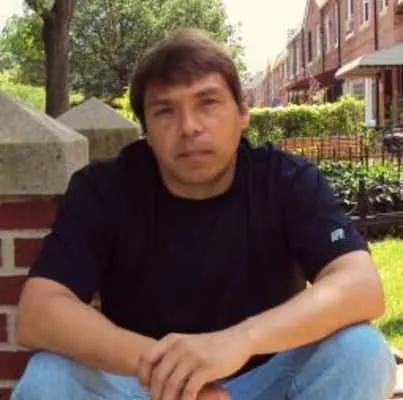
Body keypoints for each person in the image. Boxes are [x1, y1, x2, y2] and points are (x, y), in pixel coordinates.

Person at [12, 28, 396, 400]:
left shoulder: (285, 180)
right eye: (165, 111)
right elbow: (39, 311)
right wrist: (178, 372)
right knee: (50, 376)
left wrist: (238, 341)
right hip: (146, 384)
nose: (190, 127)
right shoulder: (105, 189)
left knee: (361, 352)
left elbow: (359, 286)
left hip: (270, 379)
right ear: (146, 131)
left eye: (208, 103)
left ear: (243, 111)